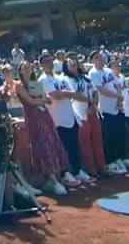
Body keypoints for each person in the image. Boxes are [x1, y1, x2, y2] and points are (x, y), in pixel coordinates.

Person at [14, 60, 73, 196]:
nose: (28, 69)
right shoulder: (19, 85)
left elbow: (47, 98)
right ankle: (51, 179)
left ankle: (54, 178)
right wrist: (43, 100)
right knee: (41, 146)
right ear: (21, 71)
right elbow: (31, 101)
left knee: (51, 143)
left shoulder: (36, 83)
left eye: (29, 67)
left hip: (44, 115)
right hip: (33, 117)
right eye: (25, 68)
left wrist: (43, 99)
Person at [39, 54, 91, 190]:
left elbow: (72, 92)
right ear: (41, 65)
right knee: (63, 148)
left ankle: (77, 170)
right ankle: (64, 174)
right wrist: (66, 94)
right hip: (57, 119)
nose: (49, 64)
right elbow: (54, 95)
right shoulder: (43, 80)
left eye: (50, 61)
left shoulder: (61, 77)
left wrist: (65, 94)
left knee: (74, 145)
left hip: (70, 116)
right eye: (46, 62)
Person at [89, 52, 129, 171]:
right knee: (110, 136)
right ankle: (112, 160)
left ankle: (123, 157)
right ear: (92, 61)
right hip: (105, 109)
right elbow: (100, 89)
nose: (100, 59)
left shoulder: (109, 71)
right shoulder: (93, 73)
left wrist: (119, 99)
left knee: (121, 134)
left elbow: (117, 86)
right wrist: (116, 96)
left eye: (100, 57)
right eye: (97, 57)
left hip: (117, 107)